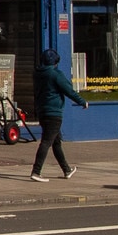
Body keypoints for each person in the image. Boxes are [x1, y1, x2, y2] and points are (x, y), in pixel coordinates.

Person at [31, 49, 88, 182]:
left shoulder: (37, 74)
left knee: (56, 142)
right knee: (46, 142)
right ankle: (36, 171)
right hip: (54, 113)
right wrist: (82, 102)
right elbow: (69, 91)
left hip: (42, 111)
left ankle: (66, 170)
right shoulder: (55, 74)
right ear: (55, 62)